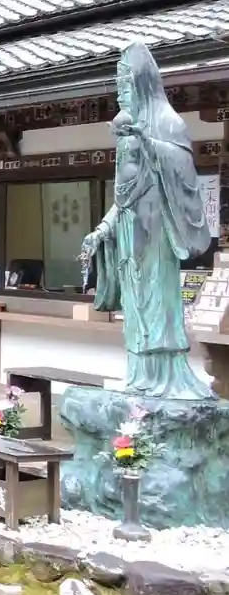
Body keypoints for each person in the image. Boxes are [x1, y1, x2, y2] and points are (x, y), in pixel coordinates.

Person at [80, 43, 215, 400]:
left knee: (158, 304)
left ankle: (168, 380)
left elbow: (183, 172)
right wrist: (102, 230)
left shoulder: (168, 123)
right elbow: (123, 198)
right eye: (118, 87)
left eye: (125, 86)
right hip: (130, 236)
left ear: (142, 85)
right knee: (136, 310)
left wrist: (149, 143)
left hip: (158, 233)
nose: (120, 94)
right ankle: (140, 378)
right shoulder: (127, 134)